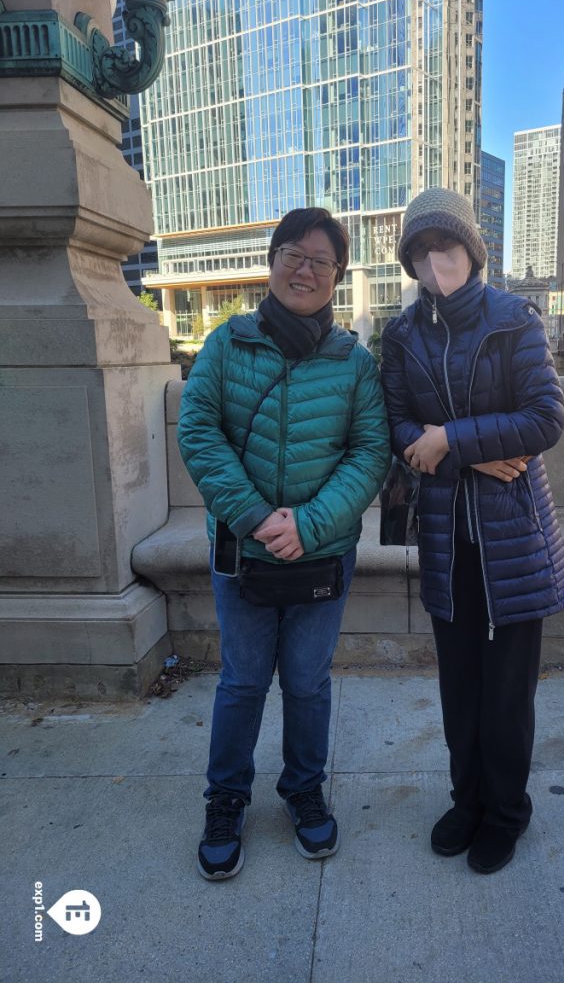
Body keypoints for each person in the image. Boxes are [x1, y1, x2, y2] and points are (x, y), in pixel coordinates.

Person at [178, 208, 390, 880]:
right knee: (241, 682)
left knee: (307, 682)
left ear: (338, 276)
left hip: (321, 554)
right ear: (271, 262)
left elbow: (370, 453)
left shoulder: (355, 364)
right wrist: (250, 515)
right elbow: (198, 430)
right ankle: (226, 799)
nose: (305, 270)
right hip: (241, 550)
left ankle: (302, 788)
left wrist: (309, 523)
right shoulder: (226, 344)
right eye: (293, 255)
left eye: (321, 261)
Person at [380, 188, 564, 875]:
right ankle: (466, 800)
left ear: (472, 249)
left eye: (448, 247)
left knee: (507, 691)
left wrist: (453, 440)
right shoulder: (402, 335)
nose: (437, 263)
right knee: (459, 684)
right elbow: (396, 425)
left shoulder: (513, 319)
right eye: (422, 252)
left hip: (512, 535)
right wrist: (453, 447)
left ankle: (506, 811)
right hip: (443, 533)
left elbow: (545, 418)